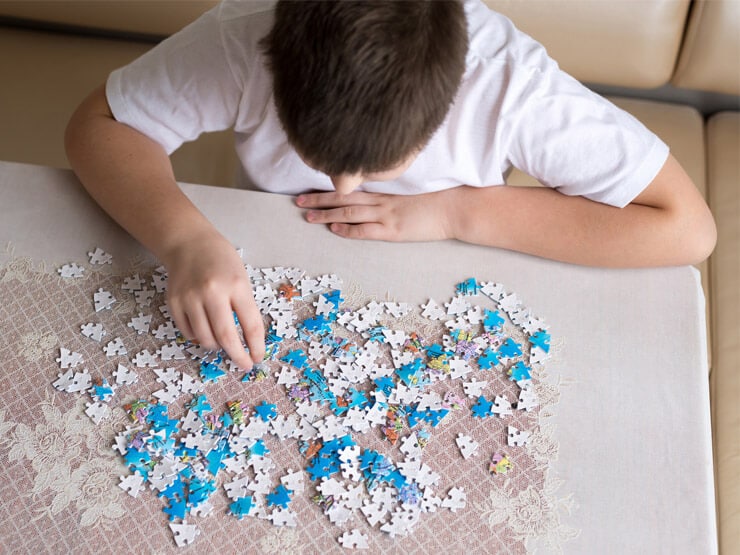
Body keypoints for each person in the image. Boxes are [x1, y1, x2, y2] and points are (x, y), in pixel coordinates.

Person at [64, 0, 717, 371]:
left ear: (447, 106)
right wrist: (183, 239)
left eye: (373, 167)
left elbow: (685, 225)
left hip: (445, 287)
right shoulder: (247, 36)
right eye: (312, 151)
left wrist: (459, 212)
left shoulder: (511, 85)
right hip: (267, 262)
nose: (342, 182)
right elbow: (97, 123)